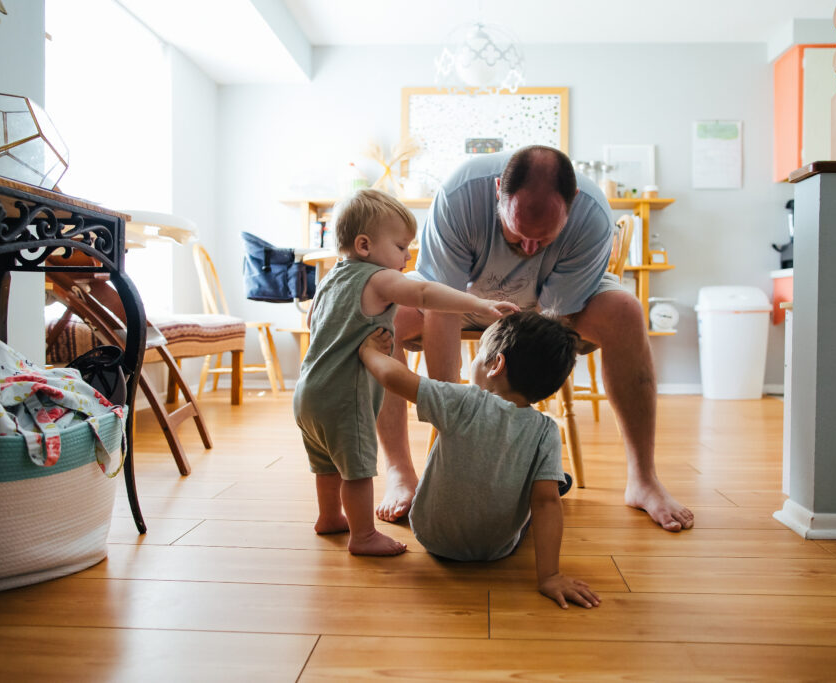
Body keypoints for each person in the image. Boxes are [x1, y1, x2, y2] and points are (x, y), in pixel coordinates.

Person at [375, 145, 694, 532]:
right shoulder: (459, 195)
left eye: (542, 240)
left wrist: (511, 427)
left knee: (626, 311)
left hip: (545, 309)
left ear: (571, 203)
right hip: (457, 297)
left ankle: (643, 479)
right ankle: (400, 473)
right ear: (498, 191)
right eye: (518, 233)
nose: (528, 249)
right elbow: (443, 310)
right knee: (381, 312)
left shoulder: (591, 215)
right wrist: (455, 424)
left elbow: (548, 325)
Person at [292, 188, 519, 556]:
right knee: (358, 469)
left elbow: (321, 325)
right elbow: (426, 294)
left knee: (326, 462)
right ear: (364, 245)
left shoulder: (330, 280)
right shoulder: (378, 278)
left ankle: (329, 516)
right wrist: (480, 303)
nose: (408, 255)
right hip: (344, 397)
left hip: (308, 393)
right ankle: (363, 535)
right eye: (400, 247)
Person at [359, 313, 601, 609]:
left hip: (431, 535)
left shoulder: (462, 401)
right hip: (496, 549)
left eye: (478, 356)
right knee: (549, 492)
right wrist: (550, 576)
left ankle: (550, 478)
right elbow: (546, 505)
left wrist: (368, 351)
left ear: (496, 364)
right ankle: (552, 479)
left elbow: (392, 377)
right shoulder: (545, 430)